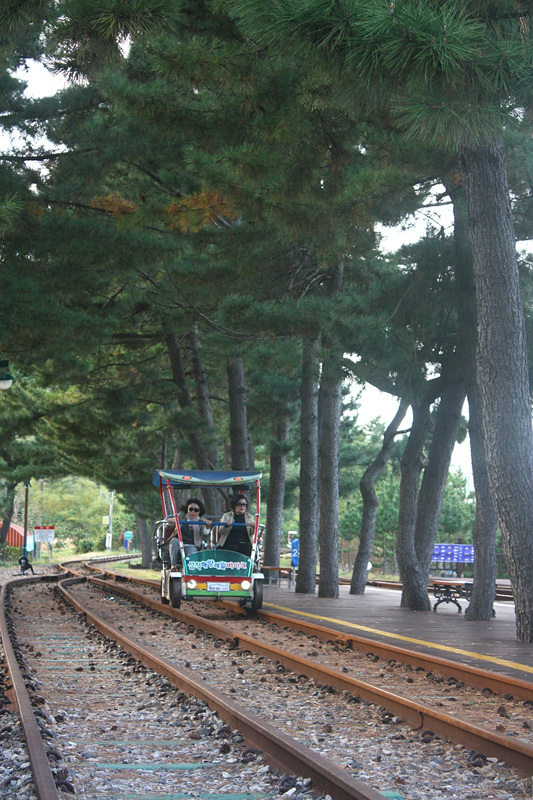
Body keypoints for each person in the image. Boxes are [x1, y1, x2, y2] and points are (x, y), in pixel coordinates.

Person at [168, 498, 210, 567]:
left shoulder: (201, 521)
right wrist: (170, 522)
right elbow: (169, 526)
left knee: (193, 558)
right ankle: (173, 565)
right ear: (187, 509)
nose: (193, 512)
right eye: (190, 509)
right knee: (174, 540)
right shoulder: (181, 517)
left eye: (196, 510)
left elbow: (204, 535)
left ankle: (189, 571)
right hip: (179, 543)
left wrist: (207, 527)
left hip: (191, 545)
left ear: (199, 511)